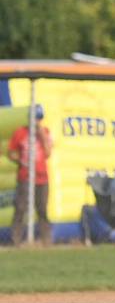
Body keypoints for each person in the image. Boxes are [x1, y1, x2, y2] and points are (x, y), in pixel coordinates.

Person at [6, 105, 53, 245]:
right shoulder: (20, 132)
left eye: (38, 118)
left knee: (42, 209)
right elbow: (11, 152)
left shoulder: (45, 132)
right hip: (25, 177)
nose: (36, 121)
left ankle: (46, 241)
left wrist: (41, 134)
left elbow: (48, 152)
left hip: (42, 178)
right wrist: (20, 160)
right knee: (20, 208)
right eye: (34, 118)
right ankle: (16, 240)